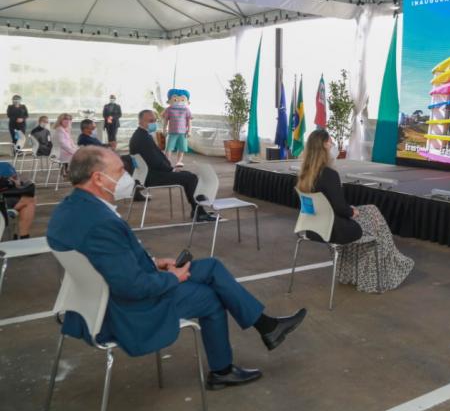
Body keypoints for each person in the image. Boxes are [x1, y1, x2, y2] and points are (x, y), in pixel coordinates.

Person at [47, 146, 307, 388]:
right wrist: (174, 278)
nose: (127, 176)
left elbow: (106, 260)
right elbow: (132, 286)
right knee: (210, 298)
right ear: (98, 179)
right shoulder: (101, 222)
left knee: (212, 267)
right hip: (124, 311)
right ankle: (224, 369)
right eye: (120, 171)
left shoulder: (70, 209)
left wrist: (154, 262)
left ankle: (268, 326)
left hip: (94, 301)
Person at [296, 129, 413, 292]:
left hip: (312, 228)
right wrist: (351, 212)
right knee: (374, 218)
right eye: (330, 141)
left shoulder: (305, 174)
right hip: (334, 230)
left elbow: (329, 205)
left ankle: (352, 274)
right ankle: (383, 272)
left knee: (371, 210)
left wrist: (348, 210)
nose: (332, 144)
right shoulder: (329, 174)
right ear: (323, 145)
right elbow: (340, 207)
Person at [129, 110, 215, 222]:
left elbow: (154, 159)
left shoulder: (140, 135)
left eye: (155, 120)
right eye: (150, 121)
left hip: (147, 174)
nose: (153, 123)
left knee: (188, 175)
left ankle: (198, 209)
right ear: (140, 121)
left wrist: (170, 169)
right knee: (190, 178)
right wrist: (171, 169)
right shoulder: (142, 138)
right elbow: (154, 161)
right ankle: (199, 212)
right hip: (152, 176)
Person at [0, 161, 36, 239]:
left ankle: (24, 236)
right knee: (28, 200)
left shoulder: (5, 166)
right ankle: (24, 237)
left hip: (7, 199)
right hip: (4, 203)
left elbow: (19, 184)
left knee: (28, 200)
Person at [163, 89, 192, 168]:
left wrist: (189, 131)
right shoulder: (169, 109)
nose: (179, 101)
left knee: (181, 148)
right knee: (169, 147)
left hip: (183, 132)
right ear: (169, 101)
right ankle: (167, 161)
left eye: (182, 99)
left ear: (187, 101)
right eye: (175, 99)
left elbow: (189, 121)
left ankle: (179, 161)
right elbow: (165, 120)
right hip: (171, 132)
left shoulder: (186, 110)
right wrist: (164, 129)